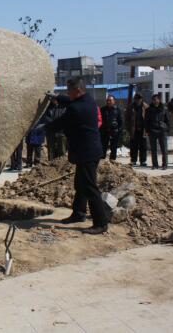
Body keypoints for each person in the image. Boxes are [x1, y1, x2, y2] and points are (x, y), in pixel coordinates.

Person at [43, 77, 108, 234]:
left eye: (69, 90)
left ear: (77, 90)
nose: (67, 93)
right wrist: (56, 96)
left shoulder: (77, 109)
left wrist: (41, 127)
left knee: (89, 187)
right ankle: (78, 214)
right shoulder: (89, 100)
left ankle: (101, 223)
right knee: (80, 184)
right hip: (90, 150)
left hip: (86, 152)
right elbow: (70, 101)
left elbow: (59, 124)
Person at [145, 94, 169, 170]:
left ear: (159, 100)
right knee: (153, 149)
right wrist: (147, 130)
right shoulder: (148, 110)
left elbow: (168, 121)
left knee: (164, 149)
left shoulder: (164, 109)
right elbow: (146, 121)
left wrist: (166, 129)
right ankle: (155, 165)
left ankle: (165, 164)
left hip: (162, 131)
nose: (155, 101)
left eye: (156, 99)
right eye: (154, 99)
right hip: (152, 131)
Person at [126, 93, 148, 167]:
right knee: (133, 146)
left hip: (143, 130)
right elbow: (126, 118)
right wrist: (128, 128)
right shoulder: (130, 107)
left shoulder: (146, 107)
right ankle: (133, 160)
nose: (138, 100)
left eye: (139, 98)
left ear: (142, 99)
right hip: (133, 130)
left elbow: (149, 118)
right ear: (134, 99)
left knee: (143, 146)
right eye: (136, 98)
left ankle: (143, 161)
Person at [100, 95, 123, 161]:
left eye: (110, 100)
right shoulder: (103, 109)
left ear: (114, 101)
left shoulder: (117, 109)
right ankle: (102, 161)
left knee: (113, 147)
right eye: (107, 100)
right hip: (104, 131)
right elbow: (99, 120)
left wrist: (119, 130)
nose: (108, 102)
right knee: (103, 147)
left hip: (114, 131)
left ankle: (112, 161)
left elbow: (121, 121)